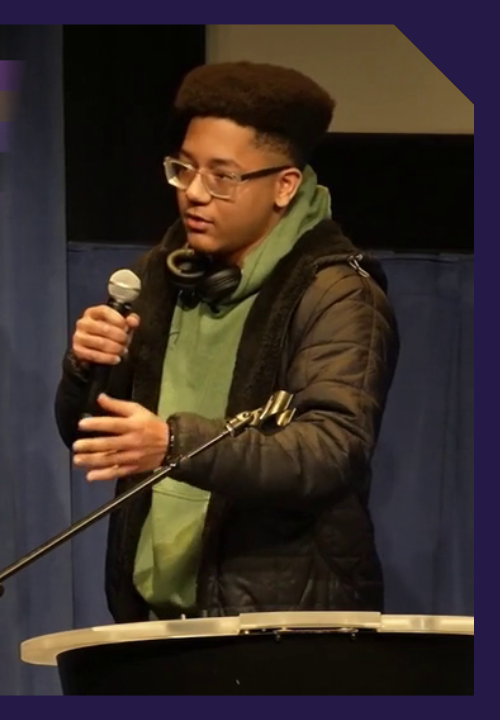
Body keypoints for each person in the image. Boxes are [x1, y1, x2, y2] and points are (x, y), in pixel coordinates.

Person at [53, 62, 400, 622]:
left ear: (284, 186)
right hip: (152, 620)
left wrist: (173, 443)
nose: (194, 193)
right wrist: (86, 366)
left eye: (222, 177)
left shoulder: (337, 295)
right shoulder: (162, 274)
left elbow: (332, 451)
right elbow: (87, 432)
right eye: (184, 170)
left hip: (278, 630)